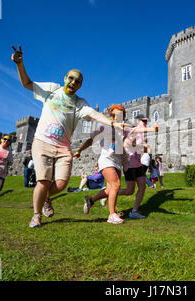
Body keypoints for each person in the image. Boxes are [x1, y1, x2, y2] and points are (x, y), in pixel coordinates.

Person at [11, 45, 121, 228]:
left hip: (63, 147)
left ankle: (45, 197)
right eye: (71, 78)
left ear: (80, 86)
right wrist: (20, 64)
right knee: (44, 181)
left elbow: (94, 114)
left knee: (61, 184)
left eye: (78, 82)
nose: (73, 82)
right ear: (65, 78)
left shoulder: (79, 103)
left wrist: (113, 122)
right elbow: (27, 84)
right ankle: (36, 215)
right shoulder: (52, 90)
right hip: (42, 142)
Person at [80, 105, 130, 224]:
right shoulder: (104, 125)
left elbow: (121, 147)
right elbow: (91, 139)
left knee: (110, 189)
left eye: (122, 113)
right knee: (116, 184)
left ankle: (90, 200)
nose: (120, 115)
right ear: (111, 113)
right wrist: (79, 150)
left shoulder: (122, 130)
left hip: (117, 160)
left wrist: (125, 160)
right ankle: (112, 215)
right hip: (105, 158)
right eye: (117, 113)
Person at [117, 115, 158, 219]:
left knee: (142, 186)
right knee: (129, 191)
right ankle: (109, 193)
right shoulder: (134, 129)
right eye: (143, 121)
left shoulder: (140, 135)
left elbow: (139, 146)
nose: (145, 122)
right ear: (138, 121)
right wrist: (153, 129)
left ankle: (134, 211)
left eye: (146, 121)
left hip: (138, 165)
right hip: (130, 164)